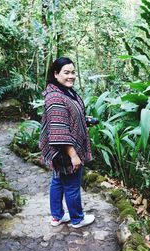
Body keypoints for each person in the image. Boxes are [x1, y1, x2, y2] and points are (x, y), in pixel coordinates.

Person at [39, 57, 95, 229]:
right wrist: (74, 156)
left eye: (72, 72)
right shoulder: (56, 97)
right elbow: (59, 131)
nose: (71, 76)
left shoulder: (64, 91)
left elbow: (67, 117)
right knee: (71, 185)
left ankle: (57, 217)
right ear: (56, 74)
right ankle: (77, 219)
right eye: (66, 73)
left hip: (62, 150)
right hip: (64, 150)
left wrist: (84, 120)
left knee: (57, 181)